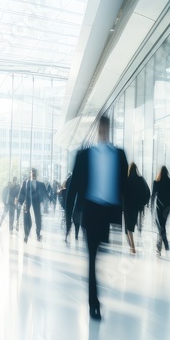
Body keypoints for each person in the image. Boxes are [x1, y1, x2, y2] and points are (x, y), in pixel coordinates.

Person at [65, 115, 128, 321]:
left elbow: (125, 186)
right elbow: (73, 187)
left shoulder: (119, 155)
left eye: (106, 127)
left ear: (109, 129)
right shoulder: (85, 155)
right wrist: (68, 218)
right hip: (90, 211)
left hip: (107, 212)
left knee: (99, 254)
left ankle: (95, 301)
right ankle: (94, 303)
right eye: (100, 127)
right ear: (97, 129)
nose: (103, 130)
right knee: (92, 258)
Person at [123, 163, 150, 254]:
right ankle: (132, 245)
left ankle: (132, 246)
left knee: (128, 227)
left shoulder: (126, 180)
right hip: (136, 206)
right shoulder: (141, 180)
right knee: (131, 225)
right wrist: (143, 203)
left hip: (128, 206)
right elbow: (147, 192)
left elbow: (122, 193)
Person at [151, 166, 170, 257]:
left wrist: (151, 207)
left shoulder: (156, 182)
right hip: (167, 207)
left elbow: (153, 195)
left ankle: (163, 246)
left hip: (159, 206)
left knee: (160, 226)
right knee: (162, 226)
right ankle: (163, 246)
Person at [18, 168, 46, 243]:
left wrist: (44, 203)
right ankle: (26, 236)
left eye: (34, 172)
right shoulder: (25, 182)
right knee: (26, 220)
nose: (32, 174)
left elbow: (44, 194)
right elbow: (22, 193)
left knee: (38, 220)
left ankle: (38, 235)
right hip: (27, 204)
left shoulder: (41, 184)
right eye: (31, 172)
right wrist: (20, 202)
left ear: (36, 174)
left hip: (36, 205)